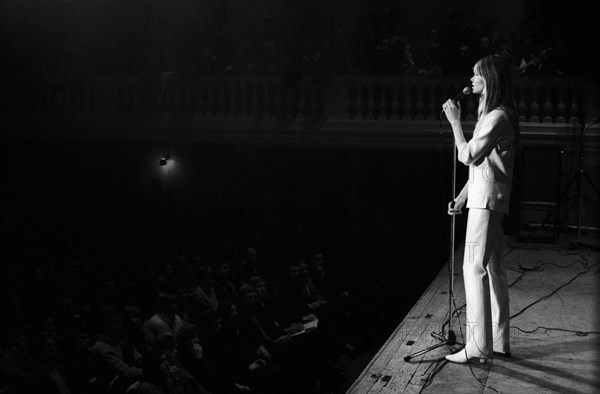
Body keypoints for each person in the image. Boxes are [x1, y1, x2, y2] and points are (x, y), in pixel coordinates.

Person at [441, 54, 517, 364]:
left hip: (487, 202)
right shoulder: (493, 115)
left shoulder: (497, 116)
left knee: (472, 267)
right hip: (487, 198)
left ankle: (478, 346)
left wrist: (455, 123)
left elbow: (469, 155)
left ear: (490, 79)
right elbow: (484, 166)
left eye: (477, 75)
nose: (471, 80)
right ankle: (499, 341)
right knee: (493, 268)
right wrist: (461, 197)